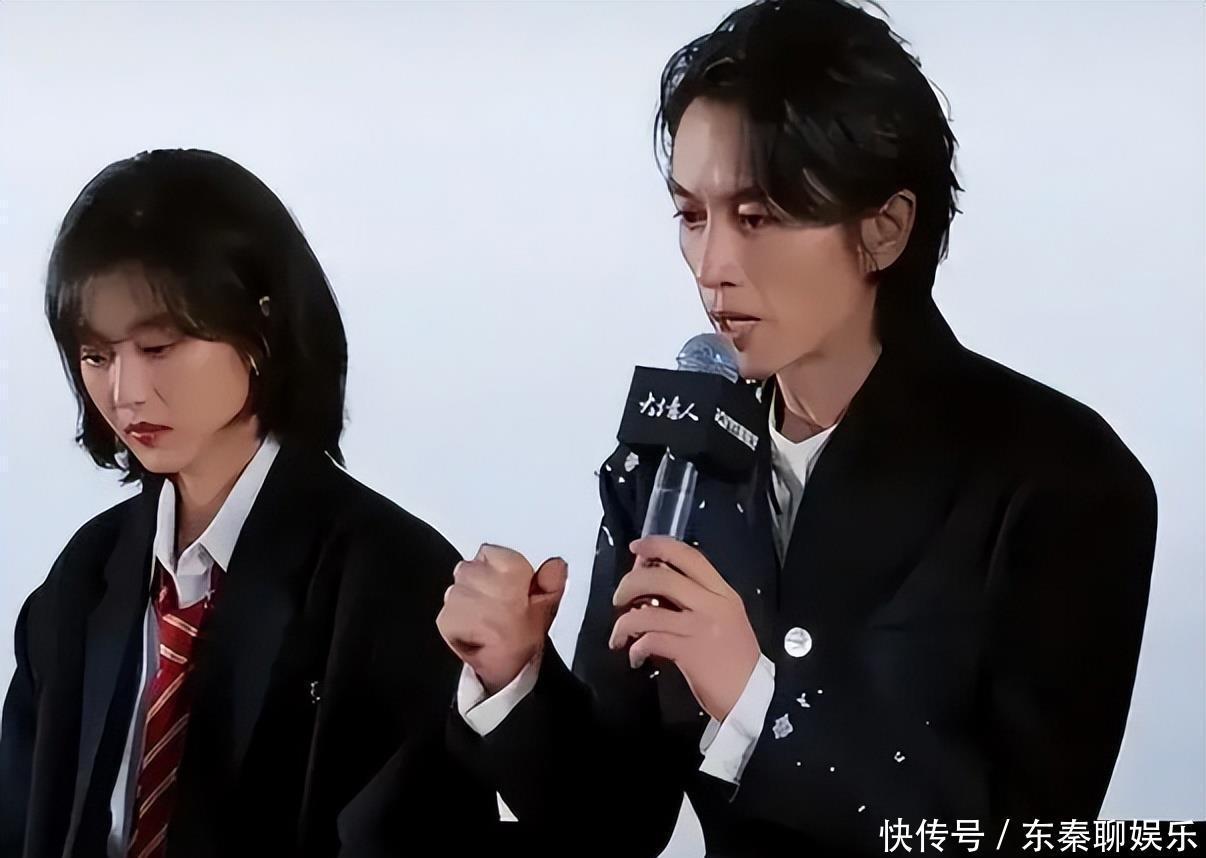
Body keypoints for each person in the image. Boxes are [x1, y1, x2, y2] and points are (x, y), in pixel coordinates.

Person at [433, 1, 1159, 855]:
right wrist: (515, 675)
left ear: (884, 228)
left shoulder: (1062, 478)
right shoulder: (670, 464)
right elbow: (615, 822)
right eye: (691, 216)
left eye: (758, 216)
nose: (712, 267)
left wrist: (757, 701)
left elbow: (1026, 831)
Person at [0, 149, 485, 858]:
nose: (125, 393)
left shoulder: (392, 577)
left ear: (260, 332)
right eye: (97, 356)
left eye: (158, 347)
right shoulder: (84, 578)